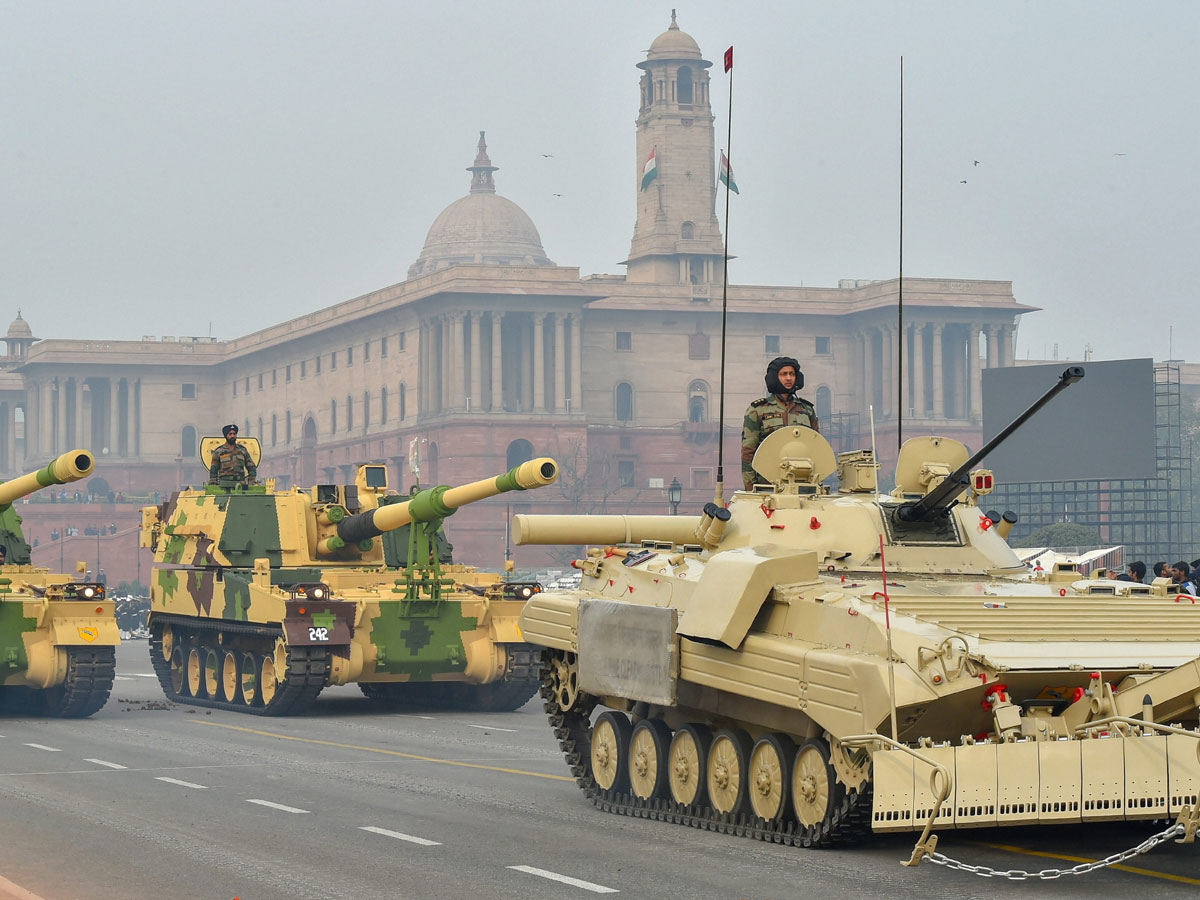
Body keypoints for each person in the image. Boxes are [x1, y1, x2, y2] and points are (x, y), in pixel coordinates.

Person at [741, 356, 819, 490]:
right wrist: (751, 488)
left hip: (802, 486)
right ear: (774, 377)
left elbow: (816, 448)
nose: (788, 378)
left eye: (792, 374)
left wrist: (817, 483)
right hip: (768, 485)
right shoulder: (757, 410)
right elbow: (748, 452)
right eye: (783, 374)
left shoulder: (807, 410)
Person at [208, 424, 257, 488]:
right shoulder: (219, 451)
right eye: (230, 434)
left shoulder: (242, 450)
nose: (232, 436)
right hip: (224, 485)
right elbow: (213, 470)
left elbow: (252, 467)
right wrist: (213, 485)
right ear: (226, 436)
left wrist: (251, 483)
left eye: (234, 434)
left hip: (240, 485)